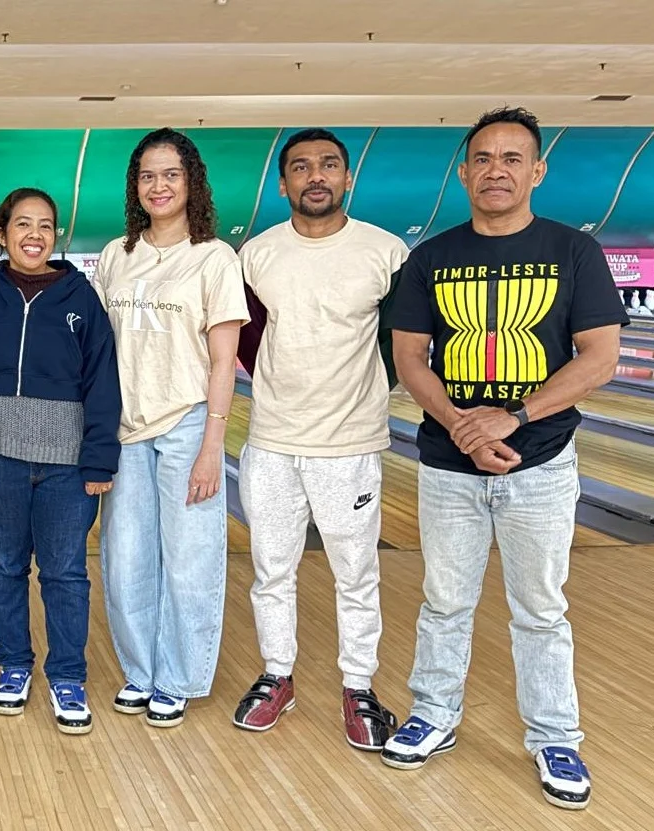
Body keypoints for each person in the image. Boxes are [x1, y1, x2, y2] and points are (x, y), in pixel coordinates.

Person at [383, 107, 626, 810]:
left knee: (540, 610)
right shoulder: (431, 256)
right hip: (446, 464)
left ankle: (554, 735)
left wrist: (511, 416)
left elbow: (602, 358)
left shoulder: (572, 252)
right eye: (483, 158)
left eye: (511, 158)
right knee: (444, 601)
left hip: (542, 463)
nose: (496, 170)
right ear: (462, 172)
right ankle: (433, 714)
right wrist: (461, 424)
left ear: (536, 171)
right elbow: (408, 357)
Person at [230, 128, 405, 750]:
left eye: (329, 165)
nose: (316, 176)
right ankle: (278, 674)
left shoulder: (385, 253)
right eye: (301, 167)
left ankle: (358, 686)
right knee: (270, 571)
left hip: (351, 444)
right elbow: (243, 337)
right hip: (273, 441)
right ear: (283, 184)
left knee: (356, 573)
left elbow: (400, 341)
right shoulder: (256, 253)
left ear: (348, 177)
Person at [0, 187, 121, 734]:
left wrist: (98, 460)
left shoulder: (81, 299)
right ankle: (14, 666)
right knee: (4, 567)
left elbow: (102, 381)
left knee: (65, 573)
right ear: (2, 234)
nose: (34, 235)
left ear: (55, 236)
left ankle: (67, 676)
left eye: (45, 225)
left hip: (66, 464)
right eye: (22, 224)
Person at [94, 128, 248, 729]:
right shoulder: (116, 254)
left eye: (171, 175)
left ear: (192, 183)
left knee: (189, 558)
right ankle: (140, 672)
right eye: (148, 176)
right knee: (125, 557)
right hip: (123, 427)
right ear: (136, 186)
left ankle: (178, 676)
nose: (159, 186)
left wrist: (214, 446)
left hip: (186, 423)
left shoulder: (214, 258)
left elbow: (222, 363)